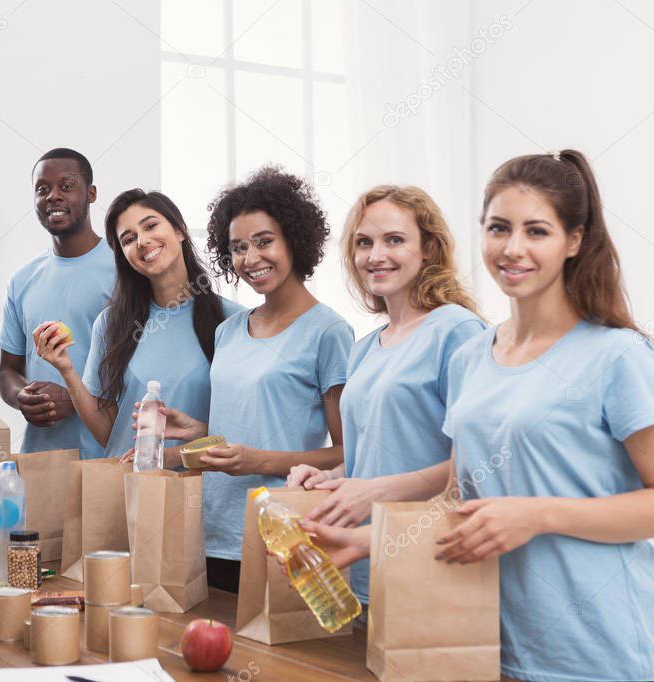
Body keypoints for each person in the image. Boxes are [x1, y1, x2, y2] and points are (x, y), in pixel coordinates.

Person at [297, 151, 654, 682]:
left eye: (537, 231)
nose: (513, 248)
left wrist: (540, 515)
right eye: (498, 228)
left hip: (594, 650)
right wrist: (368, 541)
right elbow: (458, 499)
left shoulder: (616, 355)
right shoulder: (473, 357)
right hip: (484, 641)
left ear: (574, 241)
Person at [286, 185, 485, 607]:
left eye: (394, 239)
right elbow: (377, 453)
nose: (376, 256)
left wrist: (375, 491)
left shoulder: (457, 331)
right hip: (362, 561)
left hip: (430, 558)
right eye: (364, 243)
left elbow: (479, 463)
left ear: (429, 247)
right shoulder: (364, 348)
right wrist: (333, 477)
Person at [160, 166, 354, 592]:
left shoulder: (328, 332)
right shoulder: (227, 331)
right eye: (238, 248)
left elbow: (346, 453)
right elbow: (248, 426)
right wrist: (197, 432)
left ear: (294, 240)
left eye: (264, 242)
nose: (250, 259)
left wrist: (259, 462)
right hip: (211, 530)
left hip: (280, 529)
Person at [33, 189, 243, 460]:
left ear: (180, 231)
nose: (142, 241)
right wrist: (66, 370)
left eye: (151, 226)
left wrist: (180, 449)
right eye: (128, 239)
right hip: (129, 490)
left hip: (201, 491)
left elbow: (243, 430)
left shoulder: (233, 321)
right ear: (124, 256)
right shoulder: (110, 324)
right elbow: (109, 432)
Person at [0, 148, 115, 456]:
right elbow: (7, 371)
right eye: (42, 189)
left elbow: (138, 375)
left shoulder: (124, 273)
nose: (52, 196)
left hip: (106, 459)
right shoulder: (22, 280)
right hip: (40, 460)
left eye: (66, 186)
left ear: (91, 193)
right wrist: (22, 396)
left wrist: (76, 400)